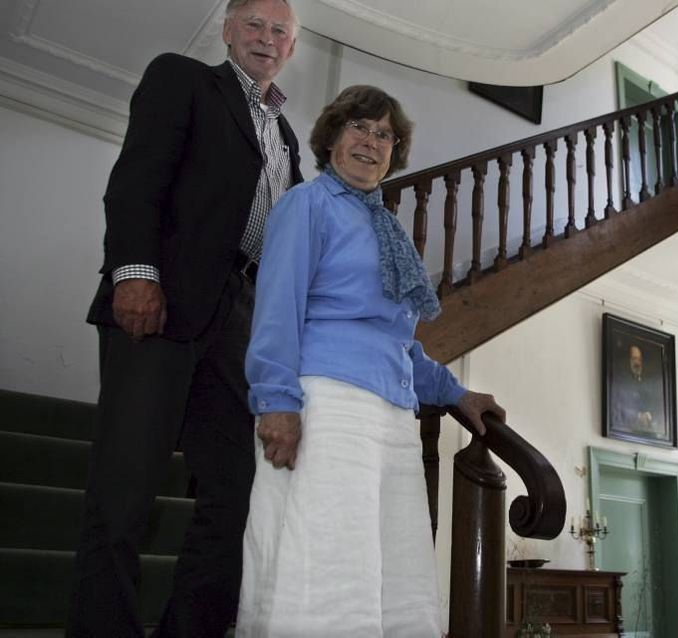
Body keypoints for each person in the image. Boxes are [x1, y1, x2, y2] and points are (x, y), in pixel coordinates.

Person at [68, 1, 301, 635]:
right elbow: (138, 177)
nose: (266, 38)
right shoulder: (184, 79)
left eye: (280, 31)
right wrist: (136, 274)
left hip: (240, 325)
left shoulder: (286, 137)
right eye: (254, 24)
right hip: (162, 307)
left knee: (233, 500)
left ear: (291, 48)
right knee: (123, 497)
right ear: (227, 31)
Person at [237, 85, 505, 637]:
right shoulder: (305, 204)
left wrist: (455, 393)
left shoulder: (385, 226)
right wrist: (276, 402)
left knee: (396, 570)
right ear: (332, 135)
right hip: (329, 405)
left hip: (392, 417)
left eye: (385, 134)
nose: (371, 140)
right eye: (359, 126)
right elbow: (276, 310)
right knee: (329, 564)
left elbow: (399, 341)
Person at [612, 344, 664, 435]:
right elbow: (616, 410)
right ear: (627, 361)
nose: (637, 363)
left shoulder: (645, 383)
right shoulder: (620, 383)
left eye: (639, 359)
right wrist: (638, 416)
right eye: (634, 359)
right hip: (625, 432)